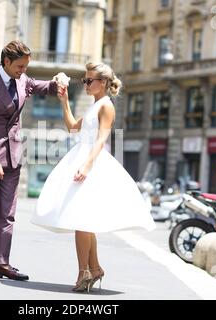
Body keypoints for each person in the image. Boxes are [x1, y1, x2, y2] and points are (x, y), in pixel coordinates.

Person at [31, 62, 156, 292]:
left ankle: (84, 273)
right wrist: (64, 99)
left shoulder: (106, 106)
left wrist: (87, 166)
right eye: (85, 81)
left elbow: (101, 140)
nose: (86, 84)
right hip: (81, 158)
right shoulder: (94, 105)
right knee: (84, 221)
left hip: (92, 163)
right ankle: (94, 268)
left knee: (81, 220)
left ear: (104, 83)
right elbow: (72, 127)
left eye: (90, 81)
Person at [0, 40, 59, 280]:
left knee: (7, 215)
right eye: (20, 66)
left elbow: (42, 86)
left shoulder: (22, 80)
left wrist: (59, 82)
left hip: (13, 157)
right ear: (6, 61)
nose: (23, 70)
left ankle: (2, 264)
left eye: (26, 66)